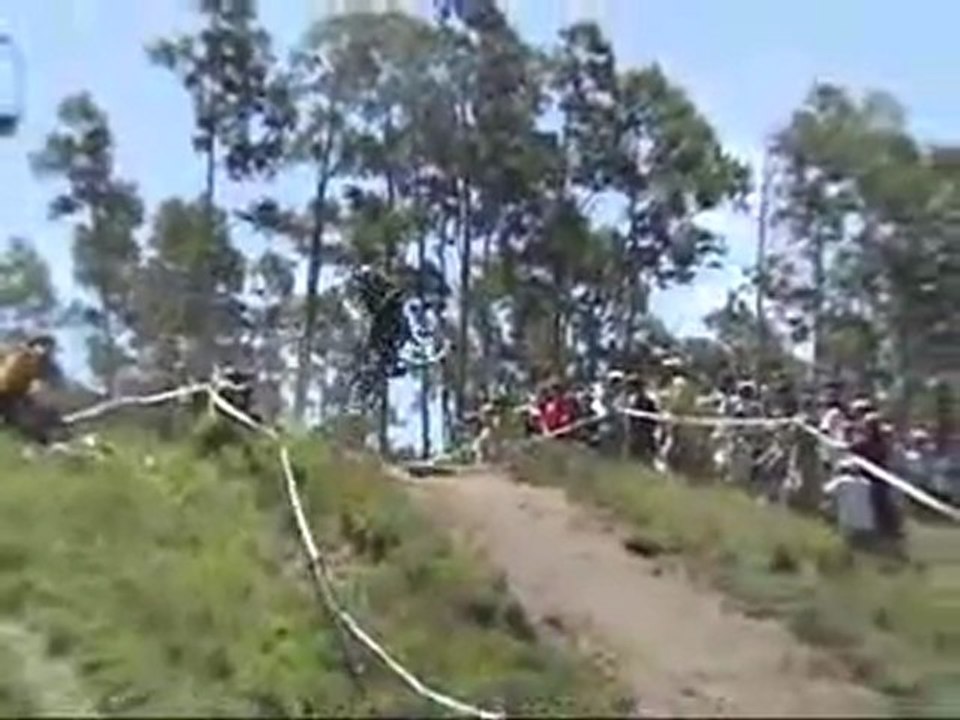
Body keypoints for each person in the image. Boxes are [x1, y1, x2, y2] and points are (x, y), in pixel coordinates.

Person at [0, 334, 65, 445]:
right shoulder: (28, 355)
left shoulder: (36, 359)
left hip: (17, 392)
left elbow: (53, 378)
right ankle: (44, 440)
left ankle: (49, 434)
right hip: (6, 394)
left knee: (39, 410)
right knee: (22, 417)